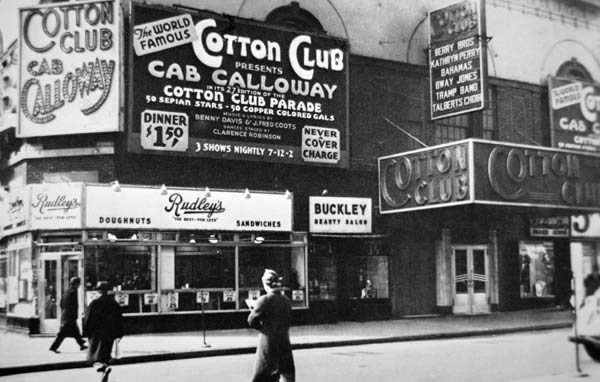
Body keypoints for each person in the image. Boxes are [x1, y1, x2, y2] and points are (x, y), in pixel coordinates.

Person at [247, 269, 295, 382]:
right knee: (286, 372)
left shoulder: (264, 300)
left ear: (266, 284)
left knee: (263, 373)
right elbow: (290, 320)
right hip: (284, 340)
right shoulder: (286, 300)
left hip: (268, 342)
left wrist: (263, 327)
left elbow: (251, 320)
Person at [83, 281, 124, 382]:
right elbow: (119, 320)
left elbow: (88, 319)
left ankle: (103, 368)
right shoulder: (114, 304)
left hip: (96, 334)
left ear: (99, 291)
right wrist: (119, 334)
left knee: (94, 356)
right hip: (109, 333)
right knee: (105, 355)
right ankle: (104, 376)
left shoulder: (94, 303)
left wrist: (86, 332)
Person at [49, 277, 87, 353]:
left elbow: (61, 303)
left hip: (66, 315)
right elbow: (73, 305)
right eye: (78, 284)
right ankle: (53, 347)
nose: (79, 285)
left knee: (75, 331)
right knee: (62, 333)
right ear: (76, 284)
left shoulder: (67, 291)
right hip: (69, 316)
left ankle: (81, 344)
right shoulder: (73, 292)